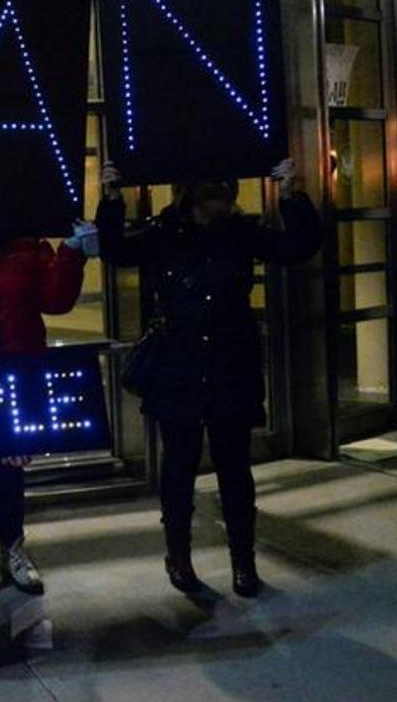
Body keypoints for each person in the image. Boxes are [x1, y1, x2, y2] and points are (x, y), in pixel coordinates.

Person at [96, 158, 320, 598]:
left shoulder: (239, 234)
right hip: (180, 367)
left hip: (227, 365)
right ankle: (179, 556)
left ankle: (243, 561)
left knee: (233, 468)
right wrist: (110, 201)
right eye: (214, 191)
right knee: (179, 469)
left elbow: (298, 247)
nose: (222, 199)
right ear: (192, 195)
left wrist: (294, 195)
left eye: (225, 190)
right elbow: (116, 250)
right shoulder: (165, 235)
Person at [0, 221, 95, 607]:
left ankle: (12, 548)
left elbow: (56, 300)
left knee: (10, 470)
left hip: (17, 374)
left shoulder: (29, 248)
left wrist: (72, 252)